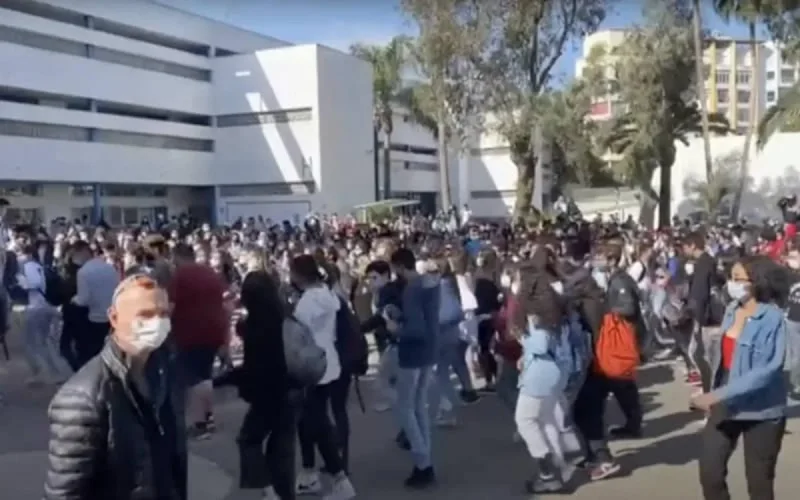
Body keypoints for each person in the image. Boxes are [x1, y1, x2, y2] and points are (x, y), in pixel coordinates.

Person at [43, 273, 187, 500]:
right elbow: (64, 492)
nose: (157, 323)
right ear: (114, 317)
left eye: (163, 314)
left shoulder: (162, 371)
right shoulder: (81, 399)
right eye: (145, 315)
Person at [695, 255, 788, 500]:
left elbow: (766, 371)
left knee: (759, 483)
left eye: (738, 279)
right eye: (730, 278)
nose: (732, 284)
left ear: (757, 282)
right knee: (710, 473)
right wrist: (711, 391)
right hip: (726, 403)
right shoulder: (731, 310)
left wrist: (717, 394)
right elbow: (723, 360)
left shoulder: (773, 318)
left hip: (762, 410)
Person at [291, 254, 356, 500]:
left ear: (298, 275)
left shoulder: (308, 302)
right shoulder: (328, 295)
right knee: (309, 420)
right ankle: (310, 473)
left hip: (311, 366)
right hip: (328, 362)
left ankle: (339, 479)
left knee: (316, 423)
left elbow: (298, 332)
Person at [235, 252, 297, 500]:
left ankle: (268, 491)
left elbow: (252, 367)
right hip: (290, 387)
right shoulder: (283, 316)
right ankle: (283, 492)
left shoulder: (254, 327)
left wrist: (226, 379)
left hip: (266, 394)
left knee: (248, 440)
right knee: (282, 449)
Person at [385, 247, 440, 489]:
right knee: (419, 407)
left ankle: (423, 462)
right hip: (429, 350)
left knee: (405, 408)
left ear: (398, 266)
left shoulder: (412, 289)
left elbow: (415, 329)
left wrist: (396, 329)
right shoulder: (431, 285)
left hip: (412, 351)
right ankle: (425, 460)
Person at [170, 243, 227, 439]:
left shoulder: (180, 276)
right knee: (205, 376)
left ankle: (199, 424)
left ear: (177, 256)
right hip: (214, 330)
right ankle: (209, 418)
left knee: (193, 379)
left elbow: (171, 306)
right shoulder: (210, 273)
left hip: (191, 332)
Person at [71, 240, 119, 368]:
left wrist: (73, 300)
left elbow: (84, 299)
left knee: (95, 355)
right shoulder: (109, 268)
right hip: (112, 317)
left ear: (82, 253)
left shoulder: (83, 272)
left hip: (95, 319)